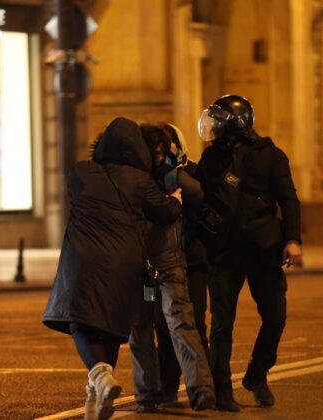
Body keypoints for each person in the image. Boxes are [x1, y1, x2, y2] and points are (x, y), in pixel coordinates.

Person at [42, 117, 182, 420]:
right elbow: (165, 212)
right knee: (111, 327)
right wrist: (177, 200)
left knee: (80, 320)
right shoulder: (141, 181)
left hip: (83, 257)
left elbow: (75, 196)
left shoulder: (80, 173)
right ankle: (95, 396)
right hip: (125, 260)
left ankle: (100, 374)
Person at [195, 95, 302, 411]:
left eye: (218, 119)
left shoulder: (271, 156)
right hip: (225, 251)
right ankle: (221, 389)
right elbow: (201, 198)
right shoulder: (212, 158)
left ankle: (257, 374)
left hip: (262, 249)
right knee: (221, 324)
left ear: (233, 124)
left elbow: (289, 200)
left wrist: (292, 240)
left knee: (275, 317)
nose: (212, 126)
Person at [127, 123, 215, 413]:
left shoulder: (144, 179)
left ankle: (176, 391)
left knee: (171, 322)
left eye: (161, 151)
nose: (157, 157)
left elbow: (196, 197)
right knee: (154, 324)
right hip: (150, 273)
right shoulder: (153, 181)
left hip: (159, 269)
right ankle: (165, 391)